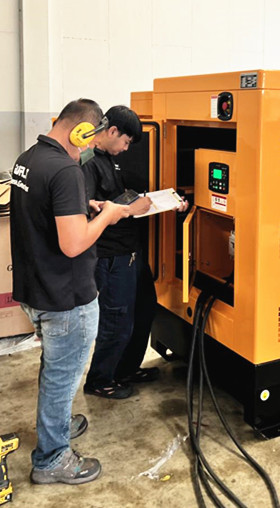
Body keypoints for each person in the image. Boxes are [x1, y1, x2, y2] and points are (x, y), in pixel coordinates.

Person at [9, 99, 131, 485]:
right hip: (67, 297)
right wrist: (110, 214)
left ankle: (55, 426)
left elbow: (46, 215)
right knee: (63, 376)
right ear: (82, 131)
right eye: (89, 138)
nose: (88, 146)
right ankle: (51, 459)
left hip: (36, 288)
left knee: (56, 367)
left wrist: (83, 206)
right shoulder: (65, 169)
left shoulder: (28, 158)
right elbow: (73, 245)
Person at [82, 105, 188, 400]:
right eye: (126, 141)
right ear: (112, 131)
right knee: (117, 319)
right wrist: (131, 209)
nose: (126, 148)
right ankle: (101, 379)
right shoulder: (88, 163)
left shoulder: (111, 161)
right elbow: (86, 209)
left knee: (143, 310)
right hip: (111, 256)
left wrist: (155, 202)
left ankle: (126, 369)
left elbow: (115, 199)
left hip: (131, 252)